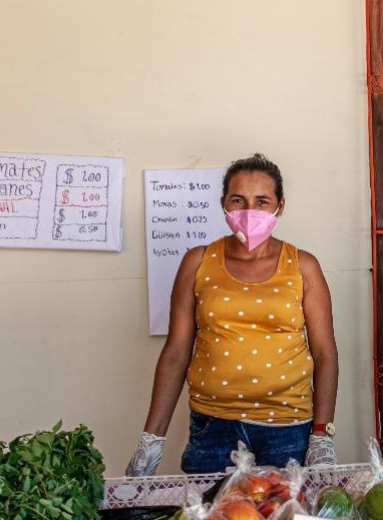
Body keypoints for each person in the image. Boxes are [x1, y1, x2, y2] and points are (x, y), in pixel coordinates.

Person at [126, 153, 339, 474]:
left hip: (287, 427)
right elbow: (176, 354)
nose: (249, 211)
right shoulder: (198, 262)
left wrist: (323, 435)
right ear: (224, 203)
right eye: (238, 200)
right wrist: (151, 440)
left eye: (262, 201)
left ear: (280, 205)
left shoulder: (302, 265)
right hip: (213, 426)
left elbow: (325, 354)